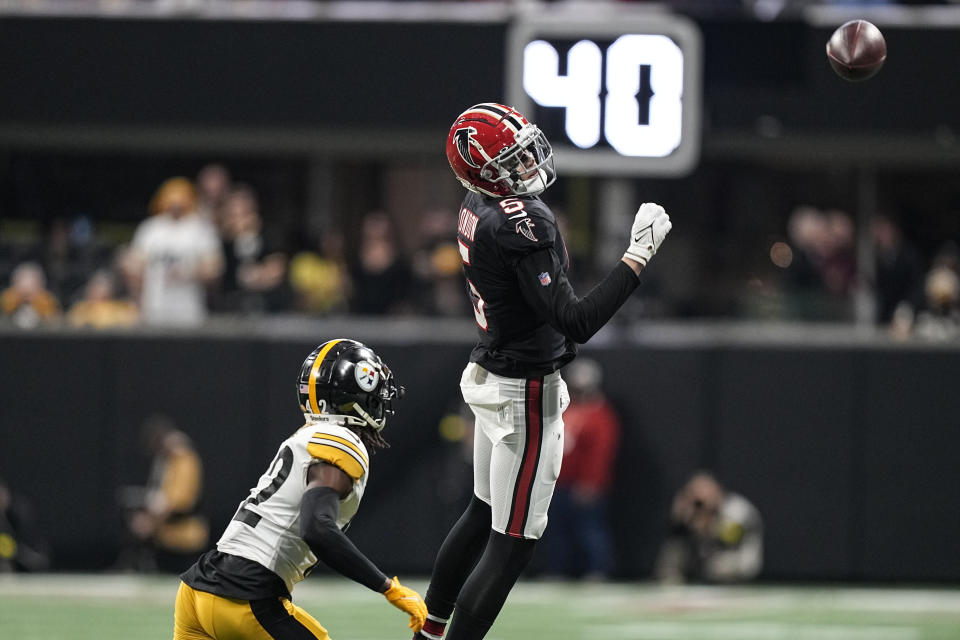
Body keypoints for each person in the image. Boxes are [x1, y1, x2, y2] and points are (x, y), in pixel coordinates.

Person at [414, 102, 672, 640]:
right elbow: (576, 321)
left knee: (482, 514)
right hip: (523, 391)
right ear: (483, 170)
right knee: (513, 542)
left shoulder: (473, 203)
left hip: (490, 370)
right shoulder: (522, 223)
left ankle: (429, 631)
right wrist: (637, 257)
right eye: (513, 158)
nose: (528, 164)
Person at [173, 339, 426, 640]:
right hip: (245, 594)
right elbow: (317, 528)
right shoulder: (342, 442)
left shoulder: (309, 436)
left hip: (197, 590)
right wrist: (387, 587)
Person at [542, 358, 620, 580]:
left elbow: (601, 453)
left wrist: (591, 482)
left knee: (590, 530)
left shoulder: (601, 415)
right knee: (556, 530)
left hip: (584, 484)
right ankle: (557, 570)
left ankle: (598, 570)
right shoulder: (565, 409)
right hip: (558, 481)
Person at [124, 177, 224, 326]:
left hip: (189, 309)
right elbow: (133, 267)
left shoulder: (200, 228)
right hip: (154, 308)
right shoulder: (151, 228)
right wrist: (137, 296)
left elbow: (214, 268)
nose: (175, 205)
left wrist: (188, 272)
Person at [116, 415, 209, 573]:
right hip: (165, 539)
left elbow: (178, 501)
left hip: (185, 540)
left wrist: (149, 523)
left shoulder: (184, 459)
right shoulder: (165, 460)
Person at [654, 471, 763, 584]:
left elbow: (729, 541)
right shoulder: (692, 511)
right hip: (705, 564)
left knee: (719, 567)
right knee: (675, 550)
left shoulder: (736, 510)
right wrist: (681, 518)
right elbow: (676, 537)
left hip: (737, 563)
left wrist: (707, 526)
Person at [0, 476, 50, 573]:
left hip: (23, 559)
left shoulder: (19, 513)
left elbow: (37, 555)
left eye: (1, 494)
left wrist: (15, 553)